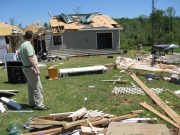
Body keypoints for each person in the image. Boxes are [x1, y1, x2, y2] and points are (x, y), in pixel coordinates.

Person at [20, 30, 49, 110]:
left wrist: (35, 56)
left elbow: (28, 56)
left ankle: (31, 103)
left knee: (31, 87)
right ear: (32, 36)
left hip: (25, 68)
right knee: (37, 87)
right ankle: (39, 105)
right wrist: (37, 69)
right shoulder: (28, 45)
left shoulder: (22, 45)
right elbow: (30, 59)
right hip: (30, 68)